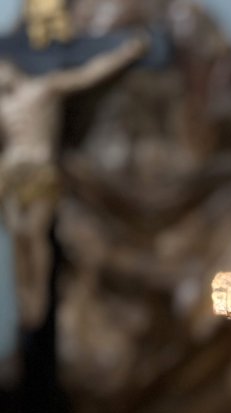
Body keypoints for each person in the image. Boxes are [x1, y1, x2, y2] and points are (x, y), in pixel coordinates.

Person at [0, 32, 147, 331]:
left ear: (11, 69)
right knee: (19, 238)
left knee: (35, 234)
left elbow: (85, 75)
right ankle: (26, 302)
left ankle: (38, 300)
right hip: (11, 174)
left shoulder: (44, 88)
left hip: (39, 171)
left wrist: (125, 55)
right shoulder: (3, 107)